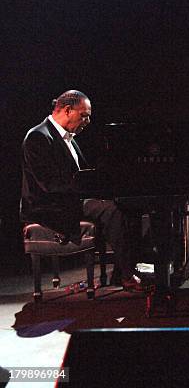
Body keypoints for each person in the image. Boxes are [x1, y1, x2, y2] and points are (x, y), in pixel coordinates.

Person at [20, 90, 144, 291]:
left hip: (68, 199)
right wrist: (85, 190)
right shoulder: (38, 137)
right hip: (48, 205)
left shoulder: (68, 137)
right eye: (84, 115)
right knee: (110, 210)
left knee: (126, 203)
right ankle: (127, 275)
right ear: (68, 110)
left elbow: (82, 174)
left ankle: (125, 269)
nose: (87, 121)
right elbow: (47, 183)